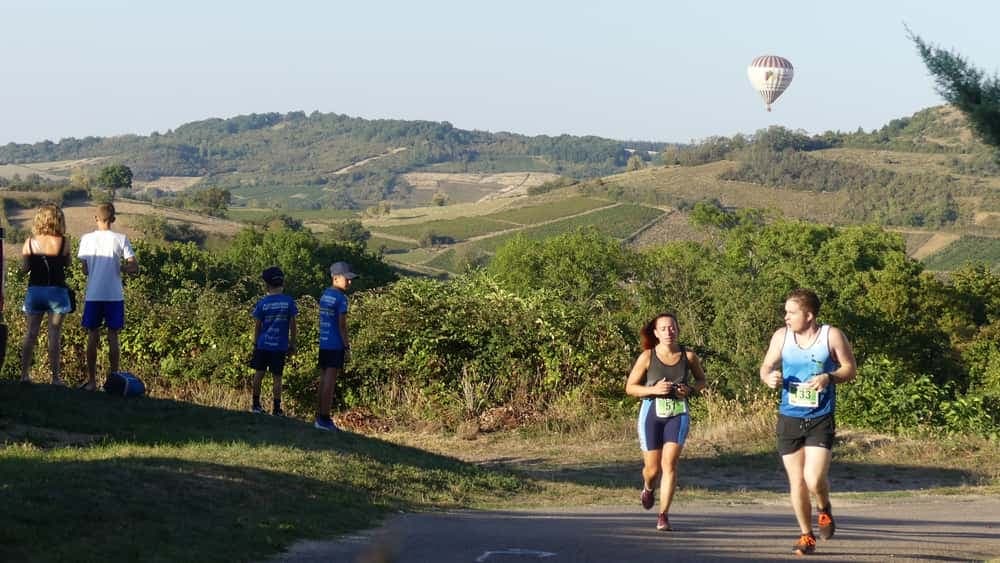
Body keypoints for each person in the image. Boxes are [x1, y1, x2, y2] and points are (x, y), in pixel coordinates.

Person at [759, 288, 857, 556]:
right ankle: (806, 535)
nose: (786, 317)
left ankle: (824, 509)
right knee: (797, 482)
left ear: (809, 315)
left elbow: (850, 369)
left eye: (791, 312)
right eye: (786, 312)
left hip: (820, 417)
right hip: (789, 417)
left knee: (813, 479)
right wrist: (769, 378)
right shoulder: (781, 336)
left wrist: (829, 377)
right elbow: (765, 367)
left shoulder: (831, 335)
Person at [625, 312, 707, 531]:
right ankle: (648, 488)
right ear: (656, 333)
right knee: (652, 469)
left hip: (678, 412)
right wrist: (653, 390)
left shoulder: (688, 356)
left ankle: (663, 515)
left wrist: (689, 389)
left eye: (672, 327)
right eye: (663, 328)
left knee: (669, 464)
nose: (669, 332)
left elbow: (701, 381)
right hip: (651, 412)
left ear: (678, 329)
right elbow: (630, 387)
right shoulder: (647, 356)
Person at [77, 203, 138, 391]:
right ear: (113, 219)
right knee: (113, 336)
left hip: (94, 294)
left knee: (92, 335)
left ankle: (92, 381)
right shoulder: (121, 239)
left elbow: (85, 270)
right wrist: (120, 268)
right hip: (114, 295)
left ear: (96, 218)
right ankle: (113, 381)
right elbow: (133, 267)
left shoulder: (86, 239)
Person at [19, 203, 72, 385]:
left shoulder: (29, 242)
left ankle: (24, 375)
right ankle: (55, 378)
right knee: (54, 335)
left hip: (35, 291)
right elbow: (68, 264)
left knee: (31, 333)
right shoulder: (64, 242)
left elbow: (24, 268)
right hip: (57, 292)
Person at [314, 261, 357, 431]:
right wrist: (346, 347)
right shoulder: (341, 299)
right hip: (335, 344)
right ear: (335, 278)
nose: (349, 282)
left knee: (323, 380)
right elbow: (342, 326)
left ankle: (319, 416)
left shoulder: (325, 295)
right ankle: (324, 419)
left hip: (324, 343)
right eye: (346, 279)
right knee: (330, 383)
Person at [249, 266, 298, 416]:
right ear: (282, 283)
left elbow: (257, 326)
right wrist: (292, 343)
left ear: (267, 285)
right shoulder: (289, 302)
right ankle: (276, 409)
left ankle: (256, 405)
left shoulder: (262, 303)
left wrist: (256, 343)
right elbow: (293, 325)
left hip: (263, 345)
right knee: (277, 377)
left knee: (259, 374)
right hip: (279, 346)